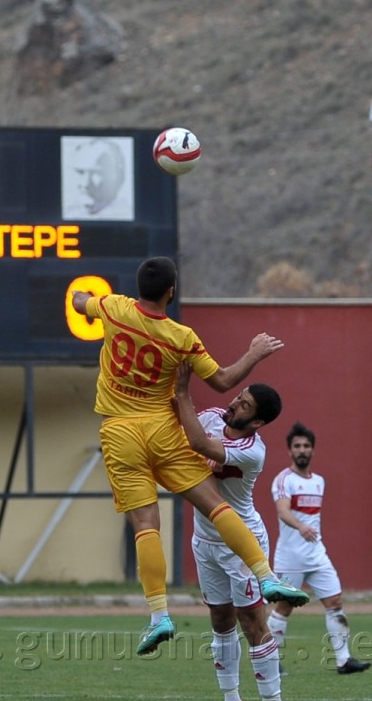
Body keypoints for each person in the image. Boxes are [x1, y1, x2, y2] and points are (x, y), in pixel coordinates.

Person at [71, 256, 310, 657]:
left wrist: (82, 297)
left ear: (138, 287)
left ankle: (159, 615)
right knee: (215, 504)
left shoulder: (114, 308)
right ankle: (266, 577)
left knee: (146, 525)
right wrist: (253, 353)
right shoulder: (181, 337)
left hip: (119, 431)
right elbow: (222, 381)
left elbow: (81, 302)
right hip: (163, 429)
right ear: (171, 292)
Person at [173, 361, 295, 701]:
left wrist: (181, 390)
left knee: (252, 624)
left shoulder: (251, 450)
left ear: (257, 423)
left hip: (241, 543)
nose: (234, 404)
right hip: (205, 540)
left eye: (244, 406)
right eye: (238, 397)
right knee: (220, 623)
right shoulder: (210, 416)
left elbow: (197, 444)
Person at [268, 422, 372, 675]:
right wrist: (301, 525)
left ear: (313, 450)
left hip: (316, 554)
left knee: (335, 601)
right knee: (284, 608)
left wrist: (308, 529)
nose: (302, 450)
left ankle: (343, 660)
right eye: (297, 446)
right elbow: (282, 511)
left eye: (306, 446)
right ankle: (270, 660)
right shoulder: (284, 480)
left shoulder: (319, 482)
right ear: (289, 451)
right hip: (291, 556)